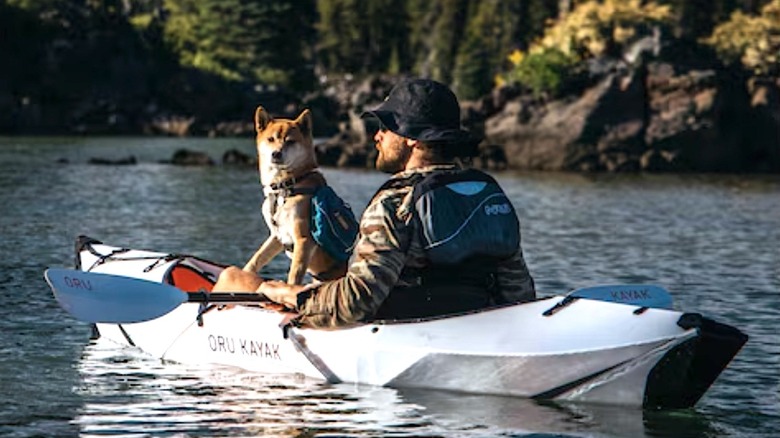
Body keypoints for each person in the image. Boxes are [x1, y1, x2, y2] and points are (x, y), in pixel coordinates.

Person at [214, 78, 535, 329]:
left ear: (413, 138)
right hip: (474, 321)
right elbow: (519, 293)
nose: (376, 137)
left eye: (386, 127)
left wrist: (285, 293)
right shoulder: (487, 191)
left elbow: (355, 303)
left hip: (398, 328)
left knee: (231, 277)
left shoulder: (395, 202)